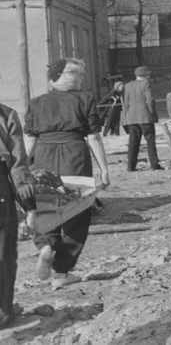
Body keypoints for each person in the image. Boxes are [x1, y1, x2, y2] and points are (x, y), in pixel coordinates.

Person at [25, 59, 110, 290]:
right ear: (73, 77)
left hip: (44, 156)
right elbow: (93, 138)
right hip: (75, 157)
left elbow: (30, 139)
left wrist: (22, 168)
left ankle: (46, 245)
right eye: (81, 76)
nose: (82, 79)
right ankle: (61, 272)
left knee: (48, 207)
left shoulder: (36, 103)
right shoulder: (85, 99)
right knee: (77, 214)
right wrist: (104, 169)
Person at [0, 101, 36, 329]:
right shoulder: (4, 113)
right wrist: (29, 206)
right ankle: (2, 311)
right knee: (4, 251)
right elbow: (18, 164)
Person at [121, 66, 163, 171]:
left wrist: (126, 116)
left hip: (132, 118)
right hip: (145, 117)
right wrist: (152, 113)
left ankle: (130, 166)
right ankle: (154, 165)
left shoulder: (128, 85)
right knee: (150, 141)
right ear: (145, 75)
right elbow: (150, 100)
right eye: (148, 74)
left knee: (133, 142)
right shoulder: (146, 84)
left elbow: (126, 103)